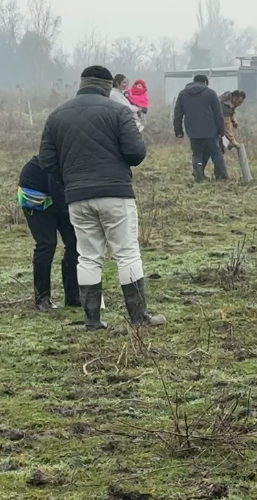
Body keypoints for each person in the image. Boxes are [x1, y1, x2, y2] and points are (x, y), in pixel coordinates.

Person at [38, 65, 164, 329]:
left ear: (82, 83)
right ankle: (139, 318)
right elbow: (136, 154)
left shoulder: (56, 115)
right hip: (115, 193)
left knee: (88, 256)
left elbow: (47, 161)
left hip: (77, 197)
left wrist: (70, 182)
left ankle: (93, 321)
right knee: (127, 254)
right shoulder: (119, 111)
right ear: (109, 86)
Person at [17, 155, 78, 311]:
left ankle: (74, 297)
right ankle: (42, 299)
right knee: (47, 244)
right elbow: (55, 186)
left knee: (75, 243)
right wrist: (68, 210)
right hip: (35, 194)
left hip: (59, 194)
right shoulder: (56, 151)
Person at [173, 75, 228, 182]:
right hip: (211, 129)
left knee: (197, 153)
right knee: (216, 152)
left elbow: (178, 114)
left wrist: (178, 131)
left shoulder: (183, 94)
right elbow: (218, 114)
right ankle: (221, 177)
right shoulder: (211, 93)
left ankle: (198, 176)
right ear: (205, 82)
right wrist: (221, 130)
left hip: (193, 129)